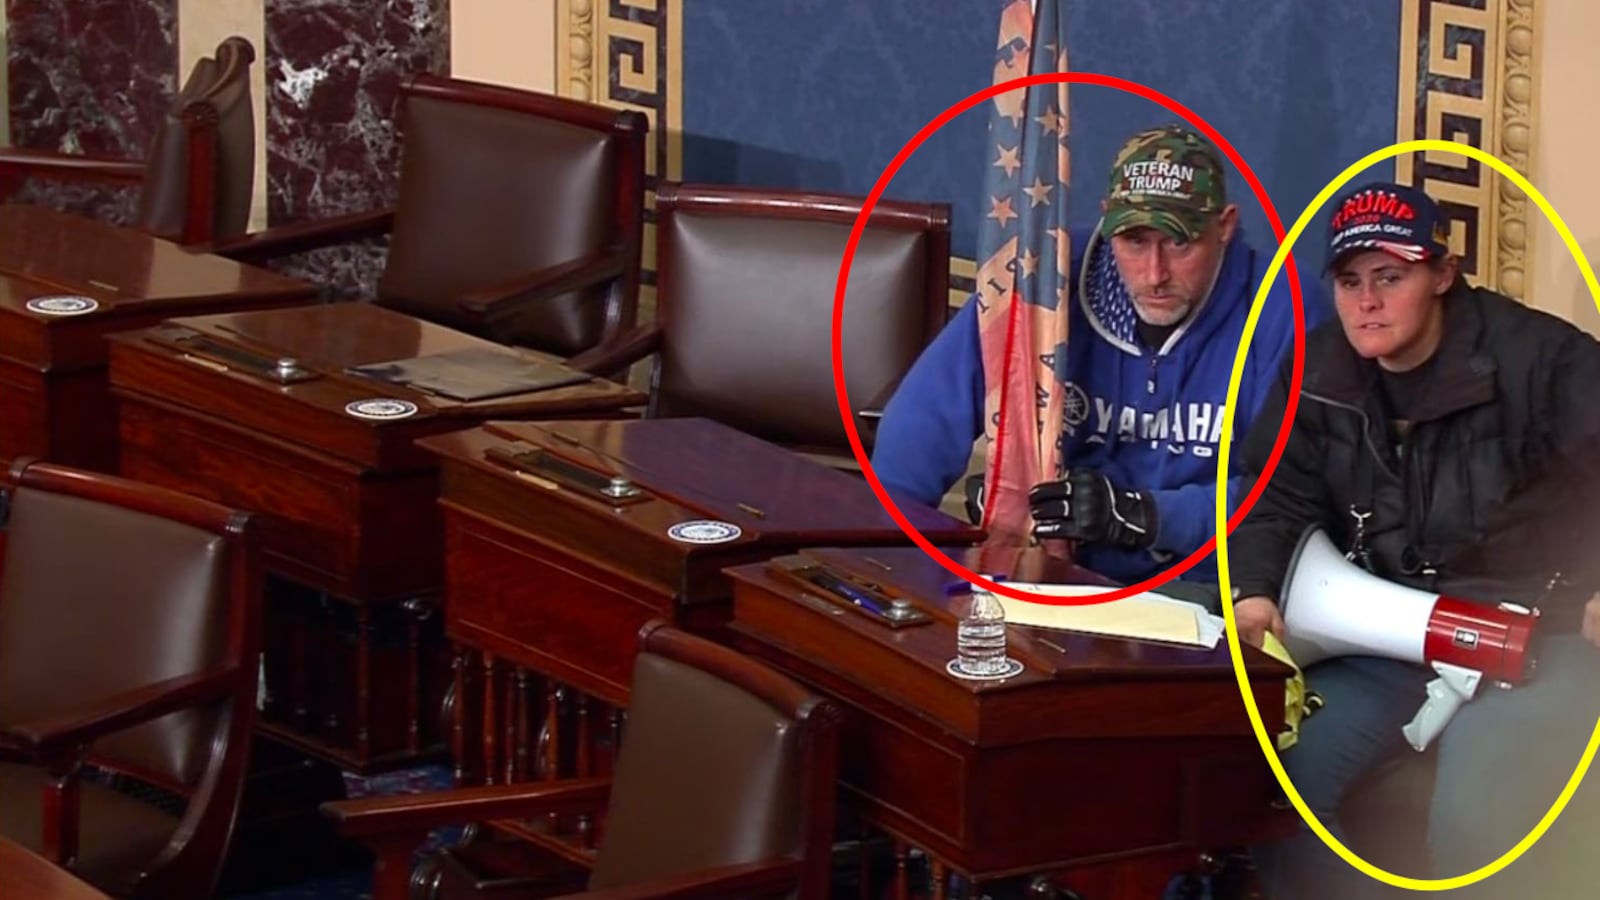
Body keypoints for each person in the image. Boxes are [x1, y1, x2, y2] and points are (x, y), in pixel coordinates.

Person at [1229, 180, 1600, 899]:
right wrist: (1255, 593)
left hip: (1540, 633)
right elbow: (1273, 497)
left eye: (1390, 278)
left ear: (1443, 273)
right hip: (1392, 631)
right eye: (1349, 282)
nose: (1366, 301)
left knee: (1475, 808)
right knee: (1275, 781)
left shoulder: (1544, 359)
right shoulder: (1315, 368)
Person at [871, 124, 1329, 585]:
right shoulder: (1044, 281)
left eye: (1179, 243)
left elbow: (1291, 493)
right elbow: (921, 423)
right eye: (1134, 242)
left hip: (1207, 584)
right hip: (1052, 569)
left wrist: (1144, 514)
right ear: (1107, 220)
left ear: (1224, 227)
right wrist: (886, 557)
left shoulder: (1283, 305)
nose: (1155, 273)